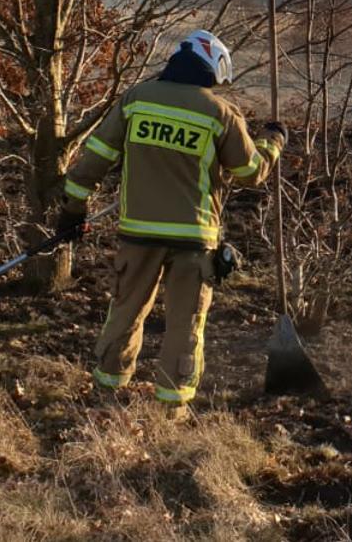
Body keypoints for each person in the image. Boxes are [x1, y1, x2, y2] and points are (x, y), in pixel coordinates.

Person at [54, 30, 285, 418]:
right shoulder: (219, 113)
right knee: (185, 324)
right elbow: (250, 172)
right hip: (194, 240)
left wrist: (73, 209)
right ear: (211, 66)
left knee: (126, 312)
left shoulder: (136, 100)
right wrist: (272, 142)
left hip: (138, 234)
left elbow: (95, 158)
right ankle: (171, 411)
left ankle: (106, 396)